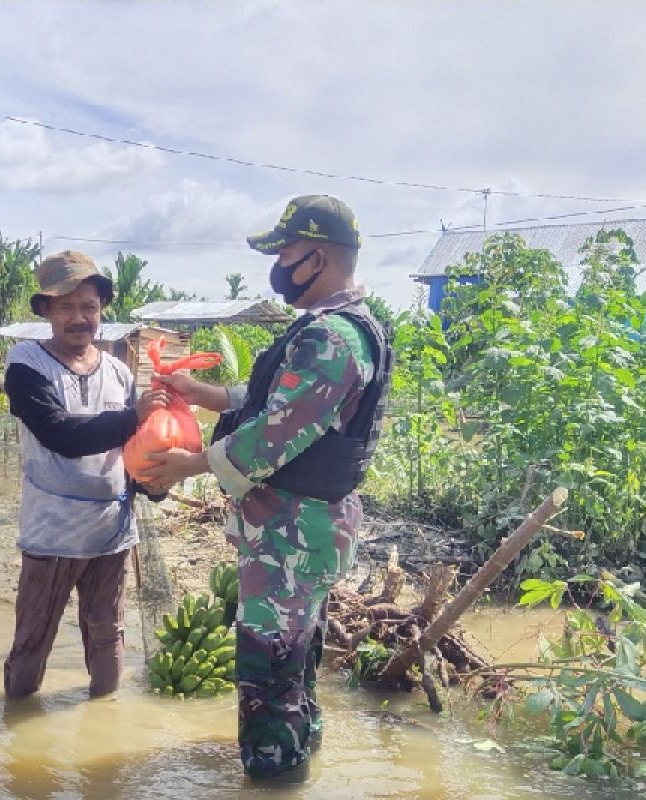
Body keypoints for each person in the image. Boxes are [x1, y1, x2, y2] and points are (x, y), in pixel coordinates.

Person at [141, 195, 393, 781]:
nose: (277, 265)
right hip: (302, 529)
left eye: (285, 253)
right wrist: (209, 396)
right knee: (296, 655)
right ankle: (301, 759)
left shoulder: (331, 337)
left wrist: (188, 465)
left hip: (292, 532)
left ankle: (274, 776)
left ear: (319, 255)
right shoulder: (342, 328)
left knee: (269, 665)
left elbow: (275, 435)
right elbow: (284, 403)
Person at [2, 250, 169, 700]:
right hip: (52, 534)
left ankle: (104, 723)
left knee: (107, 634)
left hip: (111, 534)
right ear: (45, 310)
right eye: (66, 306)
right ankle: (16, 725)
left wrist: (155, 481)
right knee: (33, 639)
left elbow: (135, 446)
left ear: (101, 311)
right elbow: (61, 435)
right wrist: (132, 417)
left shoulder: (117, 371)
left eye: (89, 307)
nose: (80, 318)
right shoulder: (26, 364)